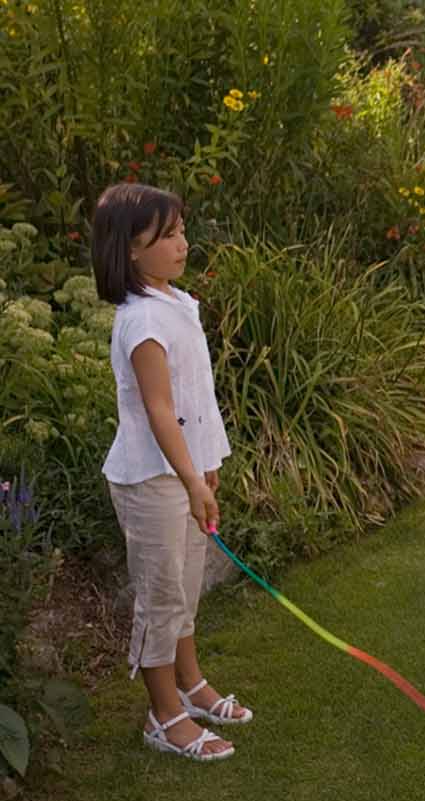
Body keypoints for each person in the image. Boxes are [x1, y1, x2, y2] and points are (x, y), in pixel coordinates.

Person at [94, 182, 251, 762]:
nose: (182, 243)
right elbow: (160, 409)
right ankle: (163, 715)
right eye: (167, 236)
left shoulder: (176, 302)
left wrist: (206, 470)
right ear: (130, 249)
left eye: (182, 230)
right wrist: (189, 480)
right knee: (160, 599)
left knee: (184, 590)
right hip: (152, 480)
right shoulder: (140, 322)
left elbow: (195, 400)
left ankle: (191, 683)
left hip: (184, 475)